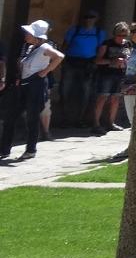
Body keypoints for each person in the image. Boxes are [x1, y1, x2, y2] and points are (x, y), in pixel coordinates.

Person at [0, 20, 65, 161]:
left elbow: (59, 57)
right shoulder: (30, 48)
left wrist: (46, 71)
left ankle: (30, 150)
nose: (26, 35)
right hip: (24, 85)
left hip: (35, 86)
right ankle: (4, 149)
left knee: (32, 118)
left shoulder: (45, 48)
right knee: (10, 117)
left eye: (29, 33)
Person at [60, 10, 105, 127]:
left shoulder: (100, 33)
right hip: (71, 63)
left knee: (85, 92)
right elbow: (64, 46)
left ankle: (80, 119)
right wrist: (61, 61)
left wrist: (96, 63)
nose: (88, 19)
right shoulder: (74, 30)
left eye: (91, 17)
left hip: (88, 65)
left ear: (97, 18)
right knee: (65, 90)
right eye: (86, 16)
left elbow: (101, 49)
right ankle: (64, 118)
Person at [90, 22, 132, 133]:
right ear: (114, 34)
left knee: (116, 99)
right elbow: (97, 60)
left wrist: (126, 62)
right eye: (119, 35)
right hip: (106, 75)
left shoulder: (127, 44)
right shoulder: (106, 44)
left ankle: (111, 123)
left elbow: (130, 58)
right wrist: (112, 61)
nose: (121, 38)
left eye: (124, 35)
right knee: (102, 98)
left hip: (120, 75)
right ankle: (96, 124)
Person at [120, 22, 136, 126]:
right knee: (131, 117)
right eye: (131, 31)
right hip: (127, 85)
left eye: (134, 31)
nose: (131, 34)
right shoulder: (129, 47)